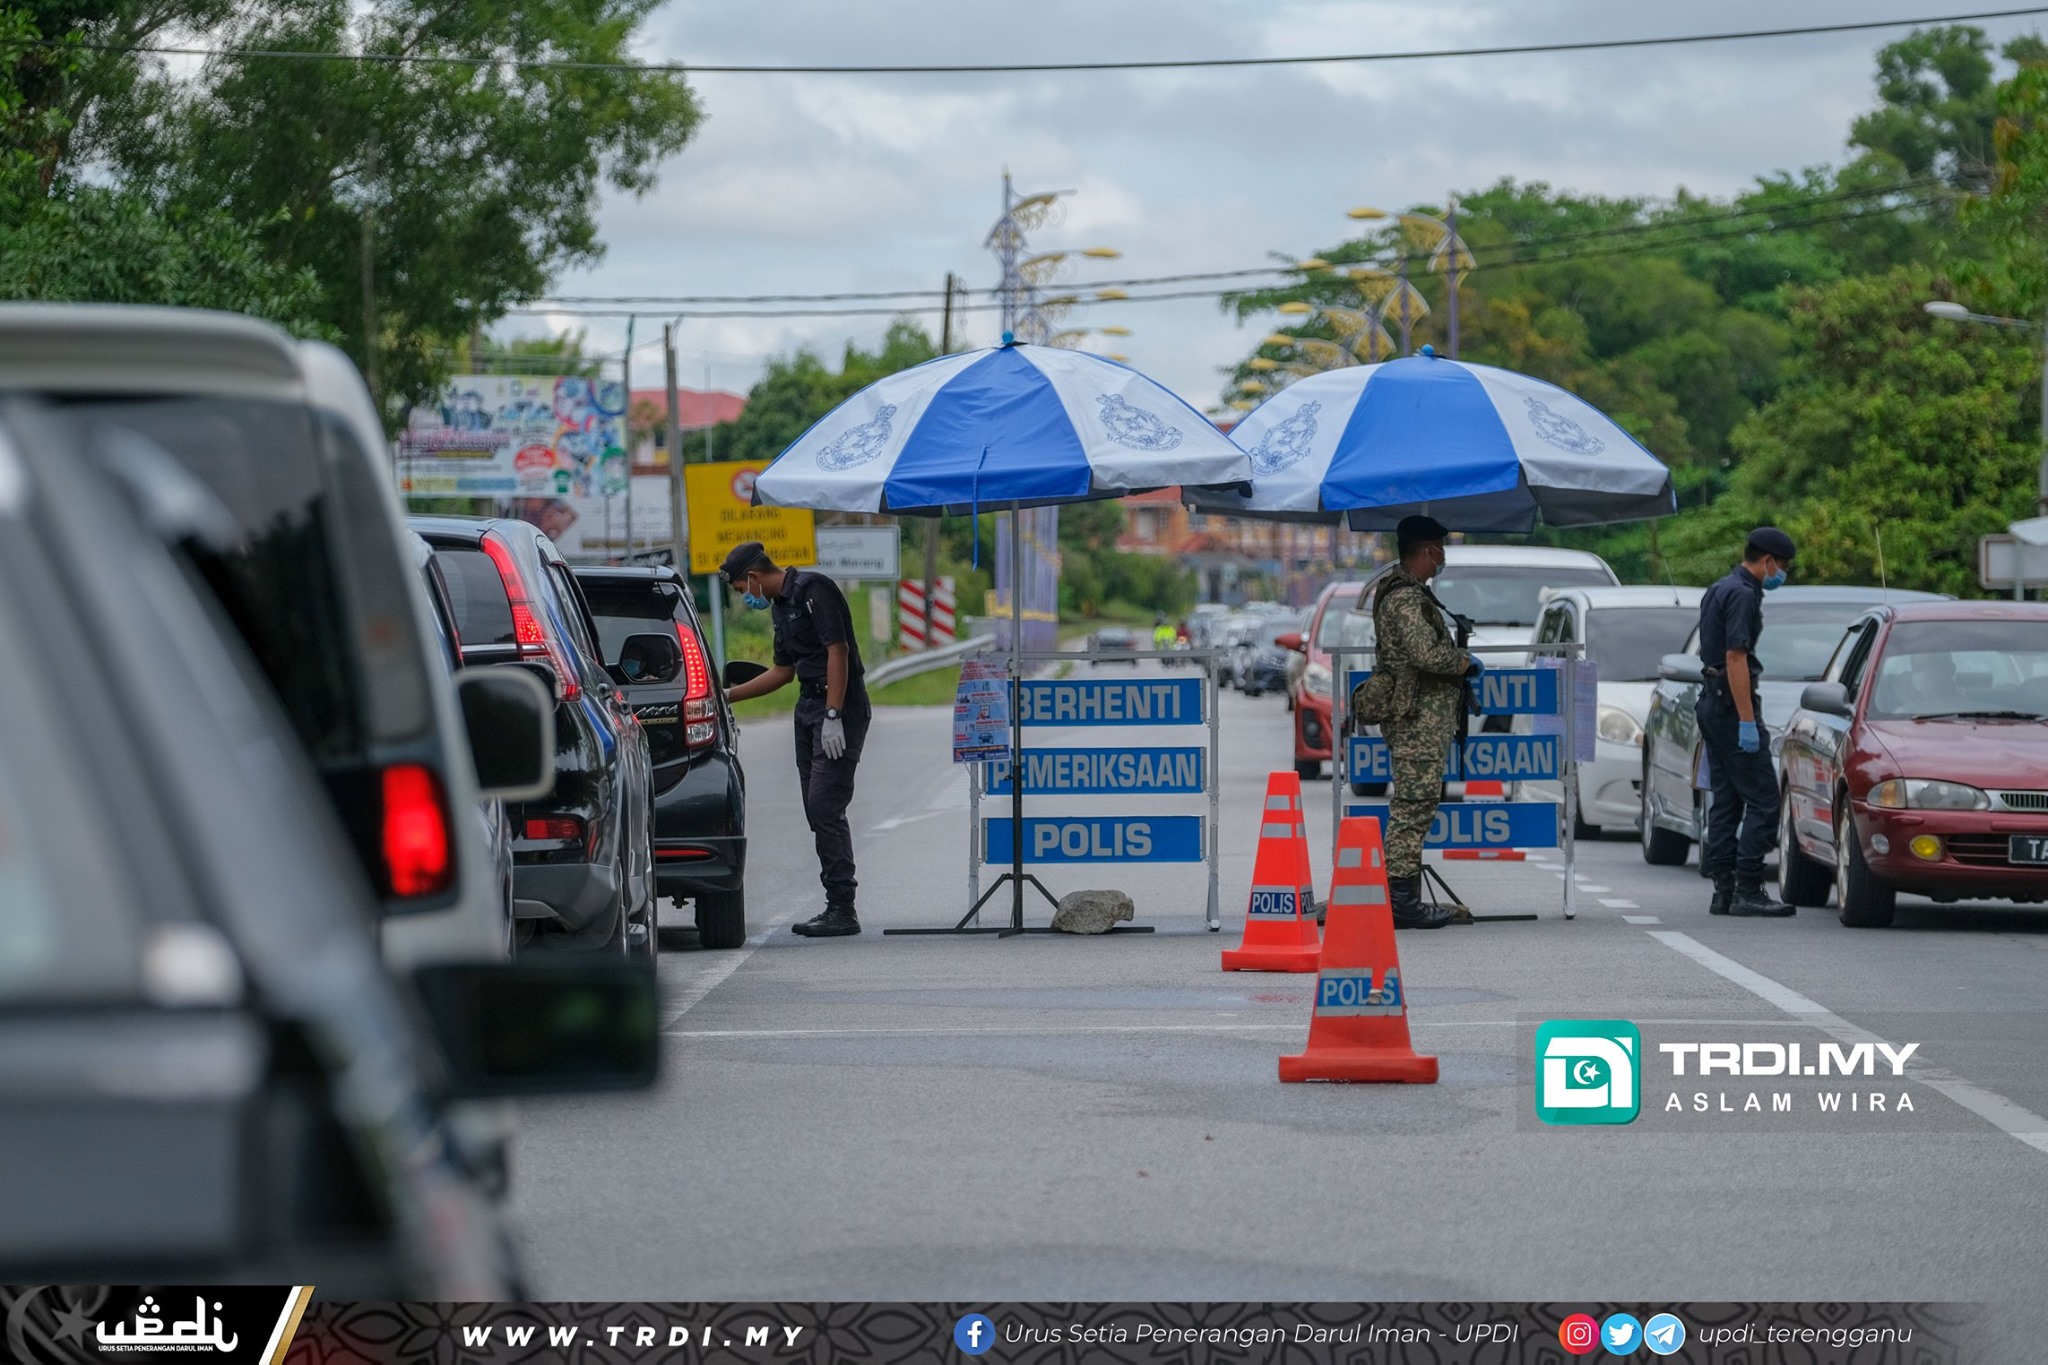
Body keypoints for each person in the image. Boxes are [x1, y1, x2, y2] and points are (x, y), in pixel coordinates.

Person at [719, 541, 871, 937]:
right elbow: (783, 671)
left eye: (741, 589)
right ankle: (837, 903)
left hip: (838, 707)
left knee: (825, 805)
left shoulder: (813, 590)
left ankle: (843, 907)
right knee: (814, 808)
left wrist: (834, 713)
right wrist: (726, 696)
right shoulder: (780, 607)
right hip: (807, 709)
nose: (744, 597)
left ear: (753, 576)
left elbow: (837, 650)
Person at [1364, 515, 1483, 930]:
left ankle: (1403, 895)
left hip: (1420, 715)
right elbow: (1426, 655)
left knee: (1417, 804)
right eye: (1440, 549)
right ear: (1428, 550)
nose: (1442, 557)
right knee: (1413, 807)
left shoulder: (1408, 592)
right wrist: (1464, 663)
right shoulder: (1405, 598)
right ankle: (1401, 901)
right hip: (1416, 718)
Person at [1695, 527, 1799, 918]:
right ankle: (1749, 888)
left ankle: (1723, 889)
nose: (1782, 574)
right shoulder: (1742, 594)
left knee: (1727, 799)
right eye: (1782, 566)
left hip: (1712, 701)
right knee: (1765, 800)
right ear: (1768, 560)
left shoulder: (1720, 587)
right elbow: (1735, 658)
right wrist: (1746, 721)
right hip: (1729, 705)